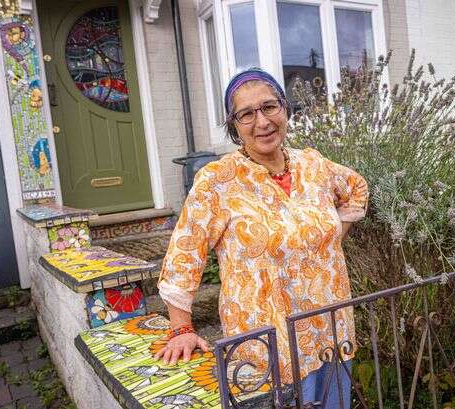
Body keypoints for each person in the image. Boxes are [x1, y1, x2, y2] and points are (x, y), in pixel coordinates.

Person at [155, 68, 368, 408]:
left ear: (285, 109)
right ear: (234, 126)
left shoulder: (314, 166)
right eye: (246, 114)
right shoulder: (218, 180)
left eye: (270, 107)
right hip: (266, 341)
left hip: (330, 329)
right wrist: (182, 328)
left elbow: (356, 188)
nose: (262, 121)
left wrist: (331, 236)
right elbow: (185, 250)